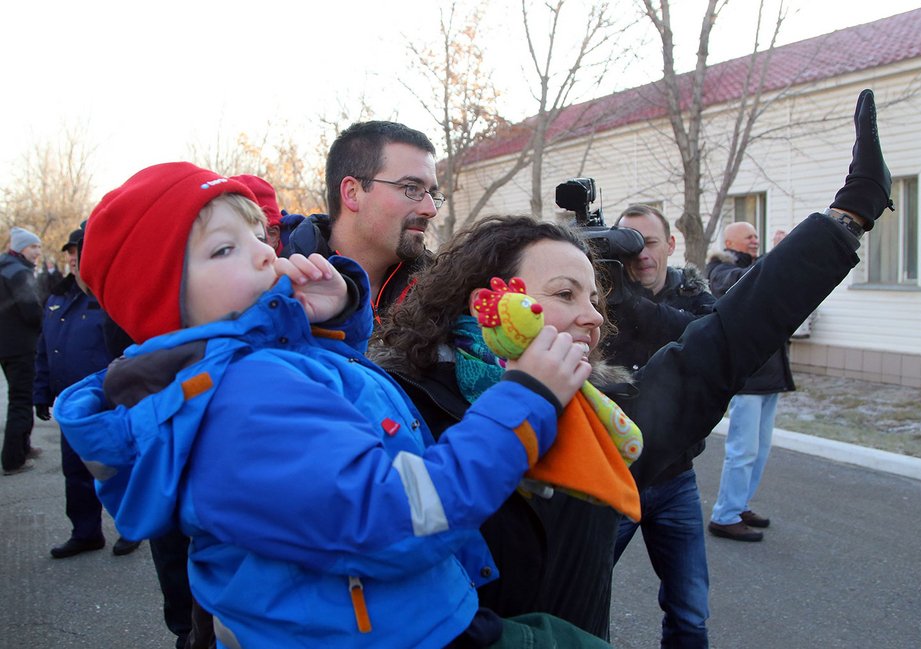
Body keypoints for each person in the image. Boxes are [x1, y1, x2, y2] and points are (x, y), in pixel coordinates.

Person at [375, 87, 892, 639]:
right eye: (566, 294)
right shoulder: (406, 404)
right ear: (490, 300)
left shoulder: (605, 420)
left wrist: (847, 218)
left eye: (594, 298)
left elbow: (719, 344)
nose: (594, 317)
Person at [54, 162, 612, 648]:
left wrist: (335, 315)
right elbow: (401, 515)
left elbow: (348, 403)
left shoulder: (257, 370)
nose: (261, 254)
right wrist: (524, 399)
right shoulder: (241, 402)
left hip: (409, 616)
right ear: (165, 301)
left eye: (257, 234)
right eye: (224, 248)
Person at [602, 204, 716, 646]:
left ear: (671, 244)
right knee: (581, 598)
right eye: (629, 245)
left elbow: (704, 336)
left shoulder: (693, 295)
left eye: (649, 242)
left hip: (675, 478)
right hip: (611, 476)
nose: (641, 255)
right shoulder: (599, 297)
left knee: (690, 612)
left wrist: (632, 305)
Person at [33, 226, 142, 558]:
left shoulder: (112, 295)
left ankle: (132, 527)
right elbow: (44, 348)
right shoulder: (57, 297)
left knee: (119, 467)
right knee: (75, 471)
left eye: (79, 252)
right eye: (70, 253)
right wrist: (40, 392)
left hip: (108, 403)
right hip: (73, 406)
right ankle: (86, 532)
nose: (73, 258)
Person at [285, 120, 441, 323]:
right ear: (352, 193)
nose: (430, 210)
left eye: (433, 194)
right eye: (411, 188)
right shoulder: (283, 296)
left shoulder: (442, 293)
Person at [706, 221, 794, 543]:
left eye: (757, 236)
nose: (755, 241)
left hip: (770, 374)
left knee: (760, 450)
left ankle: (738, 504)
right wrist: (781, 256)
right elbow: (745, 285)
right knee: (742, 450)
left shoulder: (758, 266)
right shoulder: (719, 270)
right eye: (750, 237)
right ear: (730, 241)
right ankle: (724, 516)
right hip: (747, 377)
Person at [1, 226, 44, 475]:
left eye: (38, 246)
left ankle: (23, 446)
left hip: (6, 346)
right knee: (20, 400)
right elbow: (30, 310)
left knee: (20, 397)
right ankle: (13, 459)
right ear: (20, 248)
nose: (37, 252)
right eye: (33, 247)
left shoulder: (5, 266)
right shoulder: (19, 272)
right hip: (21, 346)